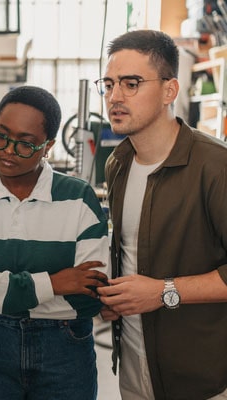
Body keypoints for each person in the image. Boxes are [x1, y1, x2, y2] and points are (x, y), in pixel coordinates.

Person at [0, 85, 110, 400]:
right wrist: (56, 283)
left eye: (26, 144)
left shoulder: (78, 198)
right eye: (0, 136)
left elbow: (90, 296)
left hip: (65, 350)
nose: (8, 151)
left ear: (49, 146)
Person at [96, 29, 227, 400]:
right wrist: (117, 300)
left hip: (203, 378)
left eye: (131, 83)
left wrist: (163, 293)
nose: (115, 97)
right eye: (108, 84)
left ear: (170, 91)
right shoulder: (117, 163)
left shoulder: (215, 167)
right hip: (135, 369)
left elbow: (157, 289)